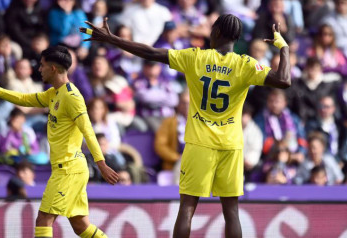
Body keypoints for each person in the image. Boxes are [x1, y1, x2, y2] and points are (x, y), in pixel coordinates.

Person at [81, 14, 291, 237]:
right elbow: (284, 80)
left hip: (199, 144)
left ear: (217, 33)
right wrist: (284, 47)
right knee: (231, 211)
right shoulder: (246, 64)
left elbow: (151, 53)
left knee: (188, 207)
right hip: (230, 146)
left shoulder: (195, 58)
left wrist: (112, 39)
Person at [0, 44, 118, 238]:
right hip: (67, 169)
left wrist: (101, 164)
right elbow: (23, 98)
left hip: (69, 169)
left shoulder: (73, 97)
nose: (39, 69)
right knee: (81, 226)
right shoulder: (53, 93)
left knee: (43, 219)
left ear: (53, 68)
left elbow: (88, 131)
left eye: (42, 65)